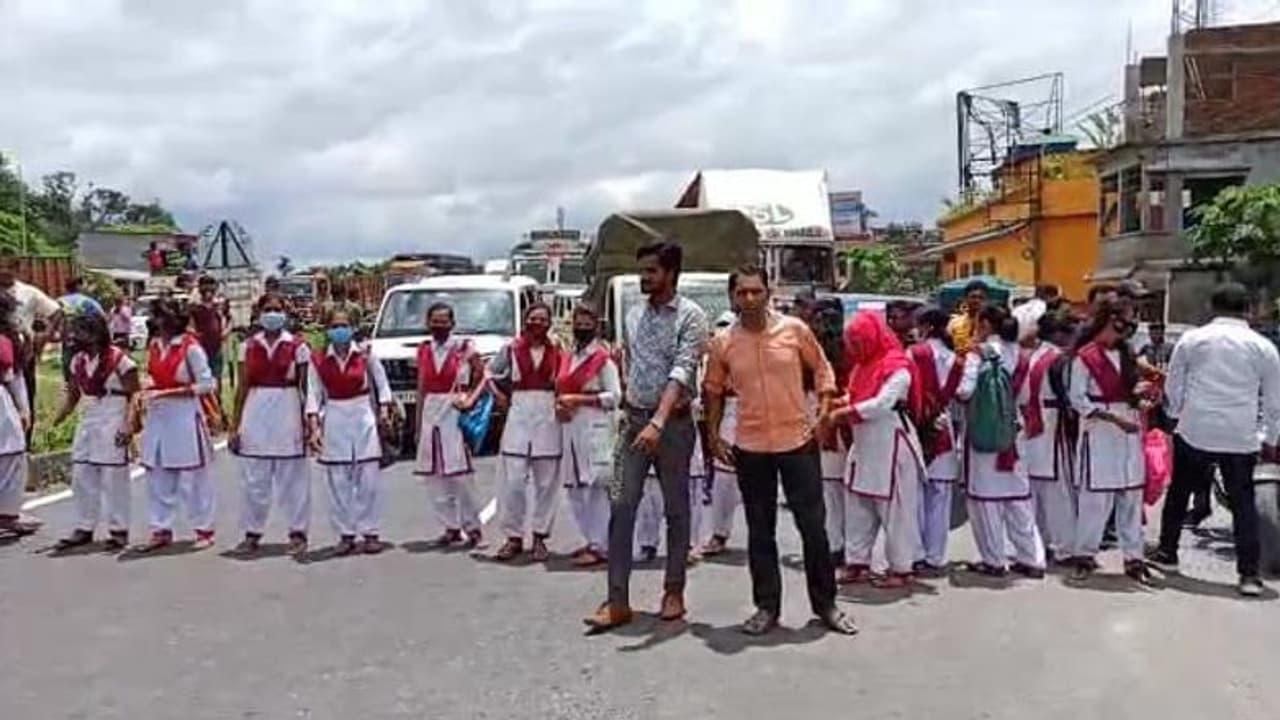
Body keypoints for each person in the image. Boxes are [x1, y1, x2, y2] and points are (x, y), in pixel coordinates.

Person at [704, 266, 856, 636]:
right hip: (751, 446)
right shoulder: (723, 343)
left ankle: (826, 605)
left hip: (797, 442)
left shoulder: (794, 331)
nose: (750, 299)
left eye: (756, 291)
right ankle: (766, 607)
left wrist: (822, 412)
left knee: (813, 528)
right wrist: (712, 435)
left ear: (768, 293)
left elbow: (822, 371)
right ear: (732, 297)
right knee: (760, 531)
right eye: (742, 293)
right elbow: (712, 389)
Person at [584, 240, 705, 633]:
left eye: (652, 271)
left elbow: (682, 371)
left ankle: (674, 591)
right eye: (643, 270)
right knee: (621, 506)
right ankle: (617, 600)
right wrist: (634, 415)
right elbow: (633, 366)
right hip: (634, 423)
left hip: (673, 425)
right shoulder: (634, 315)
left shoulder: (692, 316)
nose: (644, 277)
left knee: (676, 509)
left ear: (670, 273)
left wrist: (659, 421)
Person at [1149, 283, 1280, 597]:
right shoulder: (1263, 347)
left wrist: (1176, 414)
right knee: (1243, 504)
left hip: (1196, 428)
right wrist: (1272, 439)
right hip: (1240, 434)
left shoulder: (1192, 340)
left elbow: (1174, 385)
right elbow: (1275, 400)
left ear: (1211, 306)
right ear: (1247, 309)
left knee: (1179, 493)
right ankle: (1248, 575)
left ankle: (1167, 552)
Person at [832, 311, 924, 589]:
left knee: (895, 510)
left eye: (859, 342)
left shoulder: (898, 366)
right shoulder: (862, 367)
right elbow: (859, 394)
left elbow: (883, 402)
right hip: (863, 444)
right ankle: (856, 561)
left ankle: (901, 568)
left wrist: (845, 412)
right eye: (852, 343)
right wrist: (840, 402)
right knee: (857, 504)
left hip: (890, 443)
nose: (855, 349)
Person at [1068, 299, 1149, 582]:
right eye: (1123, 322)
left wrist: (1142, 395)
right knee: (1097, 499)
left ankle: (1134, 557)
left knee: (1130, 496)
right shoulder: (1085, 357)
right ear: (1108, 320)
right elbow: (1077, 398)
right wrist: (1113, 419)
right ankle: (1085, 554)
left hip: (1128, 425)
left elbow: (1130, 390)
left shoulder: (1127, 353)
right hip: (1101, 428)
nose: (1127, 329)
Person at [963, 304, 1046, 578]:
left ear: (985, 324)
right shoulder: (1022, 355)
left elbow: (965, 391)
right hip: (1015, 431)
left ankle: (994, 559)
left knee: (985, 499)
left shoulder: (980, 354)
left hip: (986, 432)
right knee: (1018, 499)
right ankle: (1032, 558)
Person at [228, 293, 312, 557]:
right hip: (256, 412)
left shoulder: (297, 346)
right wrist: (235, 425)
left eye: (277, 309)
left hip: (287, 410)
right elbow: (241, 387)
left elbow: (306, 387)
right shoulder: (247, 346)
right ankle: (252, 532)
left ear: (285, 314)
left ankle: (297, 532)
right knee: (255, 478)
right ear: (259, 312)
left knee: (293, 478)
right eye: (268, 309)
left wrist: (310, 422)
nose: (272, 314)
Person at [306, 310, 394, 555]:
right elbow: (313, 395)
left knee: (368, 479)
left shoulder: (365, 355)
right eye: (334, 326)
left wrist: (384, 412)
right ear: (327, 329)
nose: (339, 330)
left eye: (344, 325)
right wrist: (314, 429)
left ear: (352, 328)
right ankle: (345, 534)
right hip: (334, 416)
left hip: (363, 414)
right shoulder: (319, 359)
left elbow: (383, 385)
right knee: (338, 480)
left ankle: (370, 532)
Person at [50, 313, 140, 551]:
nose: (72, 337)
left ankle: (119, 528)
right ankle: (84, 526)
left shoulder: (120, 360)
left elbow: (135, 394)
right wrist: (57, 419)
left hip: (113, 411)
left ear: (94, 334)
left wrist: (129, 425)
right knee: (82, 472)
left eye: (78, 332)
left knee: (113, 476)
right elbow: (73, 395)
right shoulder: (77, 361)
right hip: (88, 415)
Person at [137, 298, 218, 552]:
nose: (156, 322)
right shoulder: (154, 345)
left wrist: (169, 392)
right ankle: (161, 527)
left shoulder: (190, 347)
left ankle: (203, 527)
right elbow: (153, 374)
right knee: (158, 472)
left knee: (193, 476)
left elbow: (207, 384)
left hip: (183, 415)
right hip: (159, 415)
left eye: (160, 317)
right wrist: (148, 387)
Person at [489, 303, 563, 562]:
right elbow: (489, 374)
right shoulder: (510, 349)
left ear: (550, 323)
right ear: (525, 320)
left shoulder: (558, 350)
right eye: (533, 319)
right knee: (513, 482)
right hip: (519, 416)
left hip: (548, 418)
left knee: (546, 483)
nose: (537, 324)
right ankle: (513, 536)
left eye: (543, 319)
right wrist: (498, 396)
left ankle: (540, 536)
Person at [415, 302, 486, 549]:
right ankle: (450, 527)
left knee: (461, 475)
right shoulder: (424, 349)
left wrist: (470, 400)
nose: (439, 326)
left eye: (443, 321)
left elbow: (483, 375)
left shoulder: (464, 348)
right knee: (434, 477)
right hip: (430, 414)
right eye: (434, 321)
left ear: (453, 324)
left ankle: (472, 526)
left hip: (454, 410)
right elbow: (422, 386)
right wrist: (417, 425)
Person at [556, 304, 621, 567]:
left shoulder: (603, 359)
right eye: (578, 323)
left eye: (587, 324)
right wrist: (560, 407)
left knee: (596, 487)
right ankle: (590, 537)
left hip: (595, 425)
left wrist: (579, 399)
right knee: (575, 487)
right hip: (570, 426)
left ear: (596, 326)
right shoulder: (568, 356)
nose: (581, 328)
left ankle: (602, 545)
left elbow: (615, 396)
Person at [909, 307, 967, 576]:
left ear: (926, 327)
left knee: (917, 494)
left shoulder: (915, 353)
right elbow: (961, 392)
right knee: (940, 496)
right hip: (943, 425)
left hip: (919, 424)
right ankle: (936, 554)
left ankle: (916, 552)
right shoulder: (955, 358)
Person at [1020, 310, 1076, 564]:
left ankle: (1037, 543)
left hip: (1032, 422)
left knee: (1035, 489)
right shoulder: (1058, 358)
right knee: (1058, 490)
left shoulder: (1032, 356)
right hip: (1052, 423)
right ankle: (1065, 546)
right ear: (1058, 333)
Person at [0, 253, 63, 437]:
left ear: (17, 270)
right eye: (1, 267)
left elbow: (57, 311)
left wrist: (44, 336)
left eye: (9, 267)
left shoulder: (29, 293)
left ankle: (23, 444)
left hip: (21, 356)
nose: (4, 271)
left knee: (24, 400)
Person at [701, 311, 742, 558]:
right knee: (724, 483)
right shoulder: (716, 358)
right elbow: (711, 394)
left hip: (759, 419)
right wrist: (712, 433)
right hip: (729, 417)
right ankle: (719, 533)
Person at [0, 292, 33, 538]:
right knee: (12, 450)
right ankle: (8, 513)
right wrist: (23, 409)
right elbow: (13, 376)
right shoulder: (5, 340)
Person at [189, 275, 229, 398]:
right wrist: (195, 334)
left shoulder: (220, 306)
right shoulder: (194, 307)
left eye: (211, 284)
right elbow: (188, 325)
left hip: (217, 348)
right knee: (201, 378)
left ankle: (217, 405)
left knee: (217, 379)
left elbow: (230, 320)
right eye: (204, 284)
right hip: (200, 348)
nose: (208, 288)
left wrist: (226, 332)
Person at [946, 280, 987, 355]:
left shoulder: (989, 325)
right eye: (973, 297)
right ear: (965, 298)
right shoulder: (954, 323)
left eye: (981, 297)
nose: (977, 300)